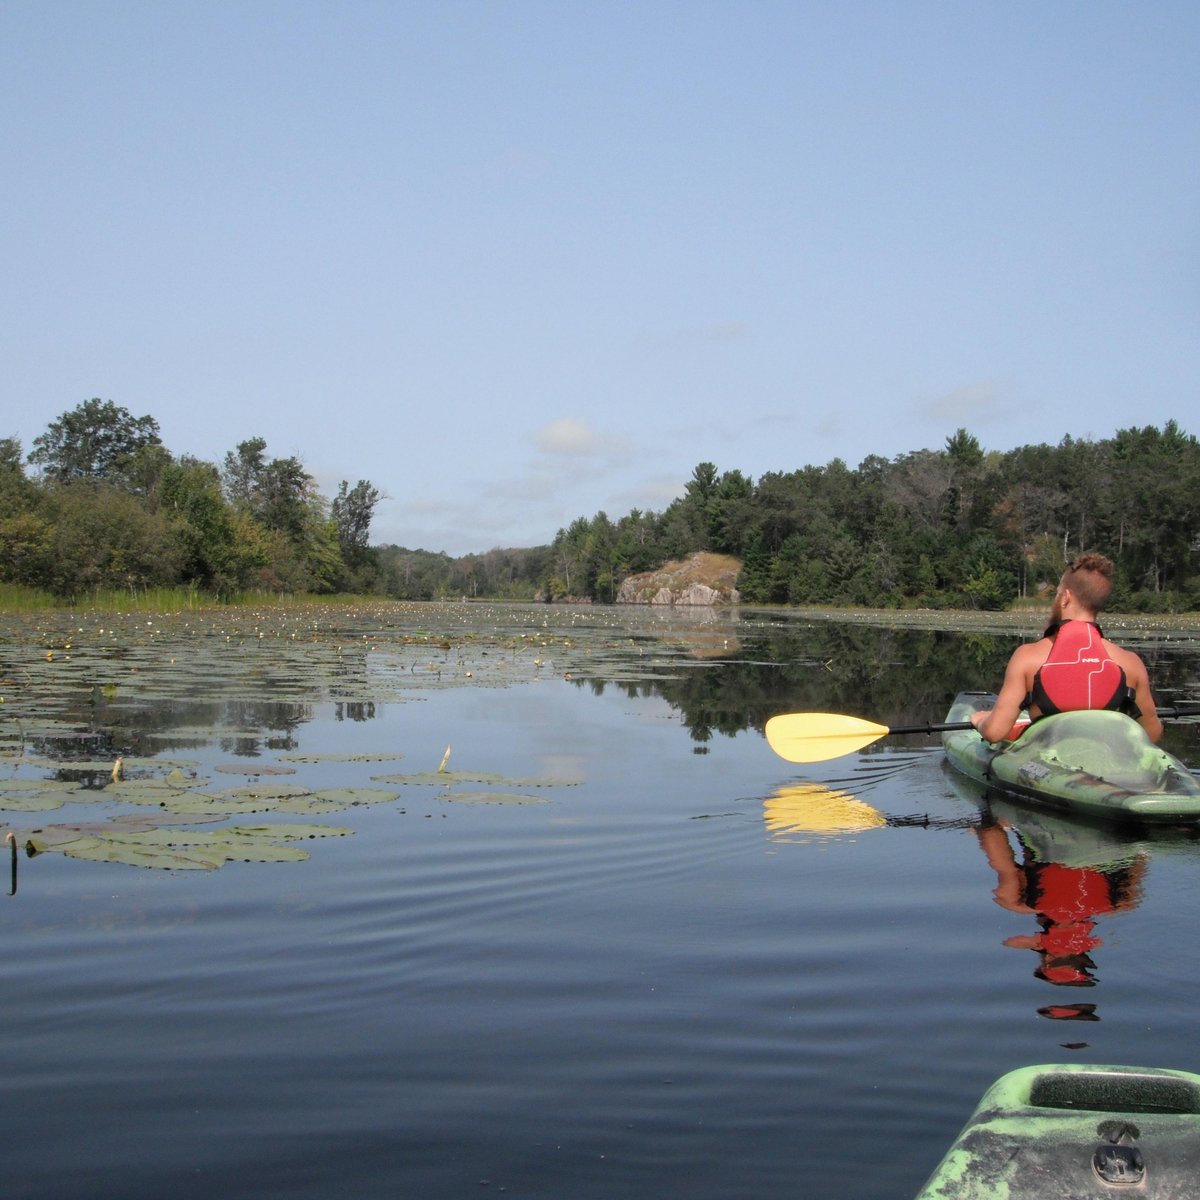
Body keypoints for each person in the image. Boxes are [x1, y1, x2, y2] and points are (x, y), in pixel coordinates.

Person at [970, 553, 1162, 743]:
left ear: (1065, 597)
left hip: (1050, 762)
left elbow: (995, 732)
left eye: (1057, 593)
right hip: (1107, 762)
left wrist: (979, 721)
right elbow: (1152, 734)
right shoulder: (1130, 663)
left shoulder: (1028, 657)